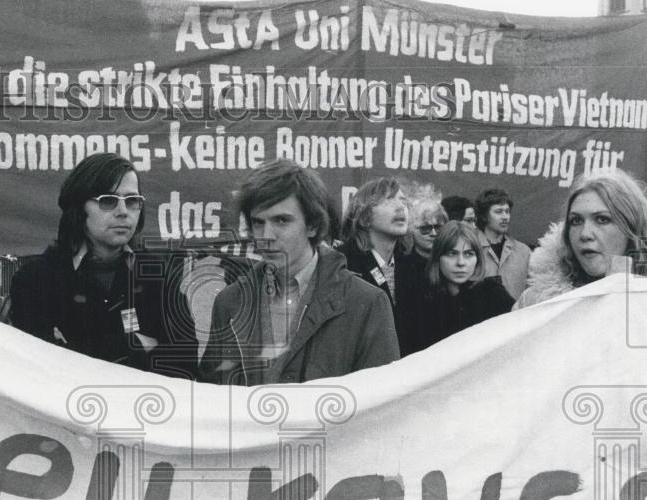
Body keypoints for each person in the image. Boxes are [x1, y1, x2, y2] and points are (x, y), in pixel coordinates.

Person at [199, 160, 399, 385]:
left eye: (281, 220)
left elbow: (382, 406)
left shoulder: (367, 303)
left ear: (312, 225)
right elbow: (213, 400)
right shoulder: (230, 302)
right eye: (257, 223)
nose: (266, 235)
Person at [9, 153, 197, 378]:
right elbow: (36, 371)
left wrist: (78, 349)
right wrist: (133, 343)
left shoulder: (159, 274)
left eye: (132, 201)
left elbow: (185, 364)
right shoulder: (36, 279)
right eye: (108, 201)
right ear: (79, 207)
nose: (123, 211)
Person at [514, 168, 647, 309]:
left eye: (602, 219)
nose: (585, 234)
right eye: (576, 221)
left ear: (632, 228)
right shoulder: (534, 303)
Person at [338, 177, 425, 355]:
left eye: (403, 201)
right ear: (363, 217)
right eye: (389, 200)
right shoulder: (341, 263)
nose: (401, 207)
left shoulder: (415, 266)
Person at [413, 221, 513, 352]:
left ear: (478, 259)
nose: (461, 263)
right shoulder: (424, 299)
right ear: (438, 258)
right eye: (451, 253)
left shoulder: (493, 295)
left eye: (468, 254)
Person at [474, 188, 531, 299]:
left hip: (516, 315)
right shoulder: (471, 248)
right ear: (484, 216)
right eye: (498, 211)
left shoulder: (524, 251)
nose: (505, 217)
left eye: (507, 211)